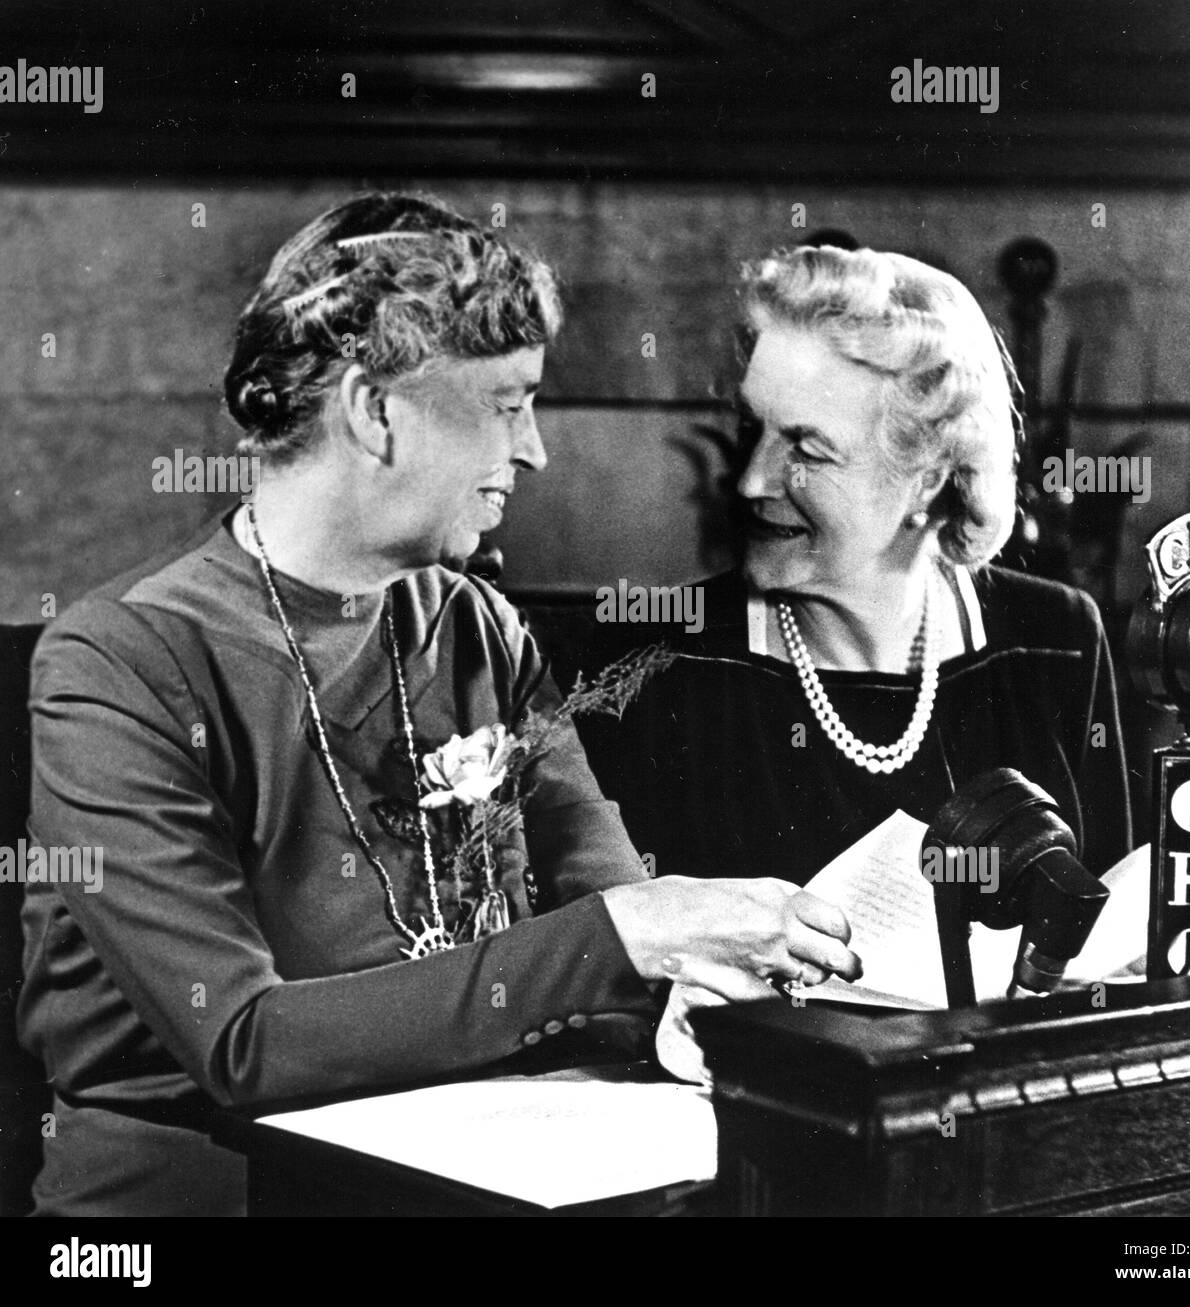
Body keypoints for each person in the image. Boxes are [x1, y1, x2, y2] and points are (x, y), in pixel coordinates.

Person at [18, 194, 861, 1216]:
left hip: (476, 1170)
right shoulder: (123, 660)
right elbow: (243, 1041)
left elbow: (599, 887)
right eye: (509, 403)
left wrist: (685, 975)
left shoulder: (479, 625)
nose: (537, 450)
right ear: (377, 411)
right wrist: (627, 936)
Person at [574, 245, 1133, 900]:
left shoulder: (1053, 640)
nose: (753, 479)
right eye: (753, 429)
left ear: (927, 478)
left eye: (807, 450)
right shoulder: (656, 665)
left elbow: (1104, 938)